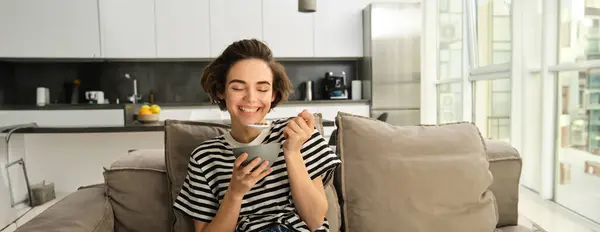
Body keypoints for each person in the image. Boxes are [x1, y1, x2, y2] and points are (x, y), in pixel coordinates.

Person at [173, 39, 341, 232]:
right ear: (221, 91)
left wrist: (292, 152)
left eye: (262, 89)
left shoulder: (299, 136)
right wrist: (235, 193)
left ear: (273, 95)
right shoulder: (206, 157)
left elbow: (315, 220)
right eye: (238, 87)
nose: (251, 98)